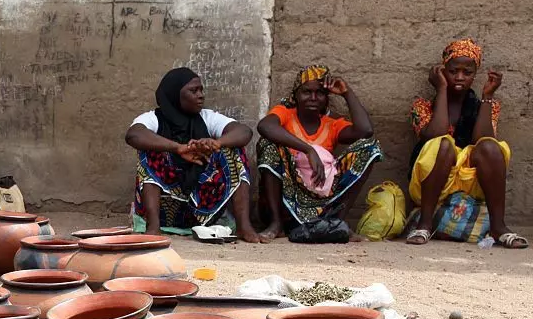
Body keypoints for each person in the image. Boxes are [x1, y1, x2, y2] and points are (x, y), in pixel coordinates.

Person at [406, 39, 527, 248]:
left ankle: (498, 227)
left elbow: (483, 140)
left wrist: (488, 96)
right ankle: (425, 224)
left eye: (467, 72)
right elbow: (436, 134)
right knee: (443, 144)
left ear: (475, 75)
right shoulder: (422, 106)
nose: (460, 77)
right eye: (453, 71)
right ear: (443, 71)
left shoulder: (487, 106)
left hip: (468, 182)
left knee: (491, 146)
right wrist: (442, 89)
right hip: (431, 182)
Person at [125, 68, 256, 240]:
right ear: (175, 95)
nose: (200, 95)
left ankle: (244, 226)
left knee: (234, 150)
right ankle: (153, 227)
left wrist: (217, 143)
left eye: (201, 90)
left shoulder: (206, 117)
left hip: (204, 208)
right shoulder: (153, 118)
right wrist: (177, 148)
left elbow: (244, 132)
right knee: (149, 151)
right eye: (193, 91)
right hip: (167, 208)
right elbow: (134, 135)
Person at [256, 65, 382, 242]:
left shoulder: (332, 125)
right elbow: (265, 126)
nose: (313, 98)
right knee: (267, 144)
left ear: (326, 98)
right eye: (306, 92)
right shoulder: (285, 114)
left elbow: (365, 131)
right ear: (296, 95)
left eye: (320, 93)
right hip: (288, 199)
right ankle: (276, 224)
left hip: (323, 197)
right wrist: (308, 150)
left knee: (369, 148)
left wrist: (347, 93)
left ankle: (338, 223)